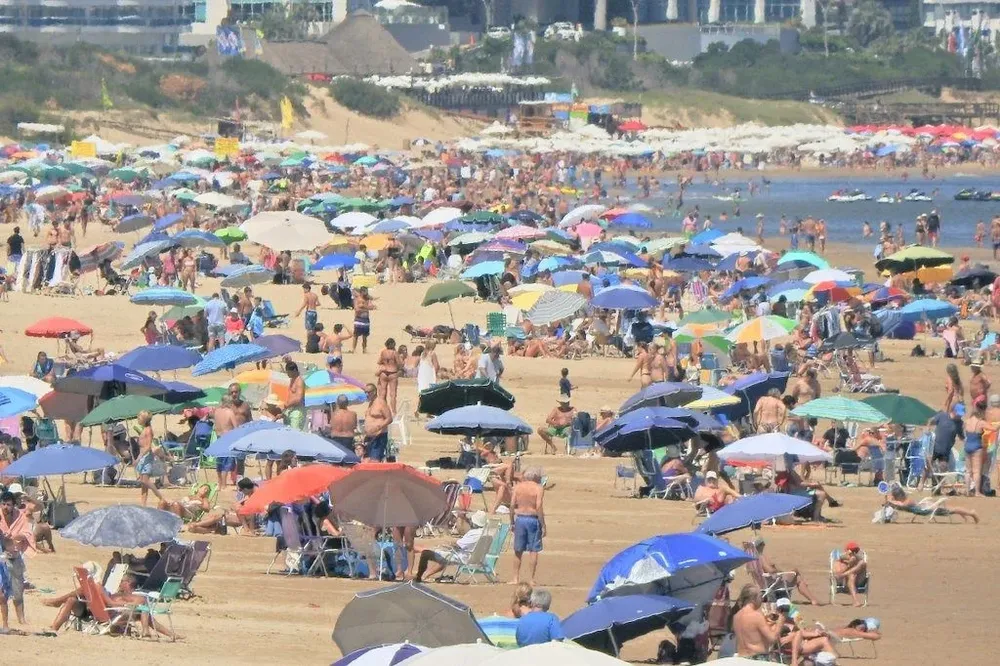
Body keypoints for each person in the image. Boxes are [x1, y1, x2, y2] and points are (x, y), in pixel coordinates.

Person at [410, 510, 488, 582]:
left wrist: (448, 543)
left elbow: (458, 544)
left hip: (463, 557)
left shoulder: (474, 533)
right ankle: (426, 575)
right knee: (443, 555)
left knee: (426, 553)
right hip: (476, 559)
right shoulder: (486, 533)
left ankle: (418, 577)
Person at [751, 537, 822, 605]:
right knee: (796, 573)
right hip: (773, 583)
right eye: (763, 543)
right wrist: (777, 570)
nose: (764, 545)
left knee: (797, 576)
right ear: (760, 545)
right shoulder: (761, 557)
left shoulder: (751, 559)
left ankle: (812, 598)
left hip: (763, 584)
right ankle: (813, 599)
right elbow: (770, 570)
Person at [0, 490, 33, 629]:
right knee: (2, 593)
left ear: (14, 505)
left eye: (8, 505)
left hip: (14, 556)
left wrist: (14, 536)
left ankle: (21, 619)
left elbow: (27, 533)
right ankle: (5, 623)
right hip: (1, 558)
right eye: (3, 504)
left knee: (18, 590)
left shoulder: (20, 516)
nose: (5, 507)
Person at [511, 467, 545, 586]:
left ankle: (515, 578)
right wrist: (543, 524)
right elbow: (539, 506)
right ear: (535, 477)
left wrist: (512, 521)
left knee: (518, 550)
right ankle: (531, 579)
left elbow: (512, 505)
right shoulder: (538, 488)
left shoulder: (518, 487)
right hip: (532, 519)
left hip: (520, 518)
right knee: (533, 550)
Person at [732, 584, 781, 660]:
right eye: (760, 596)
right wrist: (781, 620)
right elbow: (772, 638)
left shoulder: (736, 617)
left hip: (741, 658)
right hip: (757, 658)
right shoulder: (757, 616)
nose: (762, 599)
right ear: (753, 599)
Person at [887, 484, 979, 523]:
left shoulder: (907, 501)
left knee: (953, 510)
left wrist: (891, 500)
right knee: (953, 510)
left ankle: (972, 513)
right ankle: (966, 514)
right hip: (927, 506)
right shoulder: (904, 500)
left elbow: (901, 505)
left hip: (930, 508)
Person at [135, 410, 168, 506]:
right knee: (143, 484)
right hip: (143, 457)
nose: (138, 419)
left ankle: (162, 498)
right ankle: (143, 504)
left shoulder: (148, 430)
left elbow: (148, 446)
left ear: (144, 419)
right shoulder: (144, 429)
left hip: (146, 457)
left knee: (145, 480)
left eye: (139, 417)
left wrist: (139, 458)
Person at [964, 394, 989, 496]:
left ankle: (967, 491)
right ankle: (977, 492)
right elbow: (993, 429)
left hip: (967, 446)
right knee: (976, 471)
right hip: (976, 447)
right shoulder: (981, 422)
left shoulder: (967, 421)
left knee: (968, 471)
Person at [831, 542, 869, 607]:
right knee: (851, 575)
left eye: (855, 551)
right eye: (852, 551)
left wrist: (852, 561)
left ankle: (855, 601)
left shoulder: (860, 561)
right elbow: (837, 573)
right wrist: (848, 565)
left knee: (861, 564)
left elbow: (860, 562)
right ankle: (855, 601)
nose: (854, 553)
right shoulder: (841, 561)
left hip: (859, 582)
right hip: (845, 583)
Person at [363, 382, 391, 462]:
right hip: (370, 437)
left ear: (374, 392)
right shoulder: (371, 403)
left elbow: (389, 418)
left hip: (379, 436)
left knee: (374, 461)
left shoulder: (381, 402)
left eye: (368, 392)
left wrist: (378, 427)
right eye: (365, 392)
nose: (366, 394)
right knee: (367, 460)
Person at [376, 338, 401, 414]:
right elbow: (399, 363)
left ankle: (383, 409)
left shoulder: (383, 352)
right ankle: (394, 411)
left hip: (383, 373)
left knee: (383, 392)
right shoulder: (394, 353)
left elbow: (379, 362)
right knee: (393, 394)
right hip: (392, 373)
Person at [284, 361, 306, 431]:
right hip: (289, 410)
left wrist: (287, 404)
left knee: (294, 433)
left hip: (297, 411)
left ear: (294, 370)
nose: (287, 374)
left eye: (288, 372)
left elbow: (298, 398)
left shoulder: (299, 381)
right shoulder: (292, 380)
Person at [352, 286, 374, 353]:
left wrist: (363, 306)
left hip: (366, 320)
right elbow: (357, 309)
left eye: (367, 292)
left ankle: (364, 349)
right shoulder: (357, 299)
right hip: (359, 319)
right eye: (365, 292)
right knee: (356, 335)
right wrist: (366, 308)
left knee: (365, 336)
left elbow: (372, 307)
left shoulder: (367, 299)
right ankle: (354, 349)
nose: (366, 293)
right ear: (361, 292)